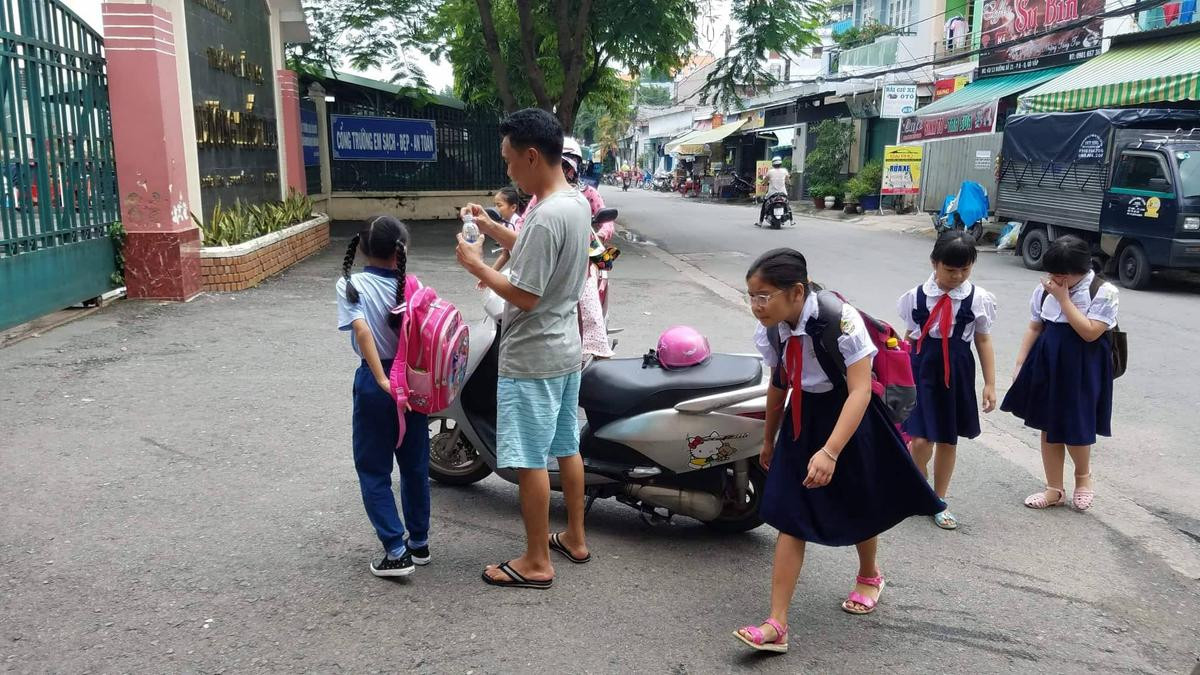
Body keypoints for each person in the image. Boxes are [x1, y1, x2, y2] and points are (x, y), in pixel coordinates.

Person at [733, 248, 944, 654]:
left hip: (852, 415)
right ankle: (777, 623)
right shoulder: (774, 328)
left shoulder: (840, 320)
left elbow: (861, 389)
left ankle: (869, 575)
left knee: (858, 499)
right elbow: (780, 382)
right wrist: (769, 438)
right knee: (789, 513)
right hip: (803, 415)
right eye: (751, 296)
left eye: (764, 296)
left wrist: (830, 452)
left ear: (796, 292)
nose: (756, 305)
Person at [455, 108, 593, 589]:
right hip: (564, 349)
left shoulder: (546, 215)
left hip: (532, 356)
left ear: (532, 156)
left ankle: (537, 561)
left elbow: (524, 294)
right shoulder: (574, 204)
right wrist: (494, 229)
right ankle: (574, 537)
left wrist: (475, 264)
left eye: (509, 160)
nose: (507, 170)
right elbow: (539, 250)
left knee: (531, 459)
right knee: (566, 447)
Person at [335, 215, 431, 578]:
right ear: (400, 250)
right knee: (415, 466)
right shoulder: (413, 284)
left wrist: (380, 377)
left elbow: (362, 332)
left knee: (373, 468)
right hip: (413, 382)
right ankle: (419, 543)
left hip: (378, 384)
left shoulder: (352, 283)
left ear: (363, 248)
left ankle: (395, 550)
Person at [1001, 235, 1118, 511]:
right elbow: (1035, 327)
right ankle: (1053, 488)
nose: (1055, 278)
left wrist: (1064, 300)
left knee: (1077, 425)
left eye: (1063, 274)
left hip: (1083, 366)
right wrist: (1020, 363)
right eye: (1052, 272)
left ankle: (1083, 479)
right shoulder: (1045, 290)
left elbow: (1090, 333)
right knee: (1047, 424)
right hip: (1047, 361)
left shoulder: (1103, 291)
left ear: (1083, 269)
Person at [896, 230, 997, 530]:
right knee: (920, 439)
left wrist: (990, 383)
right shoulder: (915, 296)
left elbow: (983, 341)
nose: (957, 277)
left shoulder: (977, 298)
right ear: (934, 263)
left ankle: (939, 500)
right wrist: (897, 373)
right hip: (921, 368)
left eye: (965, 270)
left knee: (947, 439)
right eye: (950, 270)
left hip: (957, 371)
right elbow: (909, 336)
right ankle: (920, 484)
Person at [480, 186, 527, 284]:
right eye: (495, 205)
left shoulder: (518, 224)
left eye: (499, 205)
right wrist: (488, 277)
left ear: (513, 207)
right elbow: (505, 255)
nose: (496, 209)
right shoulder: (505, 224)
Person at [759, 157, 790, 223]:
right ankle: (792, 221)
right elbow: (788, 182)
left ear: (773, 164)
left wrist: (763, 183)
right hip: (783, 193)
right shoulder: (785, 171)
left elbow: (764, 181)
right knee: (787, 205)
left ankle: (760, 222)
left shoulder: (770, 172)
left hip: (772, 193)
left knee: (764, 205)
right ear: (781, 163)